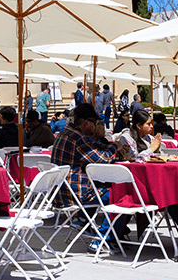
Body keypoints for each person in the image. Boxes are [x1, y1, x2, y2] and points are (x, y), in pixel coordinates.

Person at [49, 103, 128, 242]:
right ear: (87, 123)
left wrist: (111, 146)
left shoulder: (66, 133)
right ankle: (104, 237)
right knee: (120, 194)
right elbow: (102, 160)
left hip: (59, 191)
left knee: (103, 186)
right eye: (95, 122)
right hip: (75, 194)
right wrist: (116, 146)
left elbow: (95, 147)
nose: (96, 125)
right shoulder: (78, 138)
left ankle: (82, 219)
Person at [116, 109, 178, 242]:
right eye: (148, 124)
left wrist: (157, 151)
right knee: (169, 195)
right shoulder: (126, 137)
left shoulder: (148, 138)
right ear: (138, 125)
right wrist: (151, 149)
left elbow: (153, 158)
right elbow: (132, 159)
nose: (151, 126)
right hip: (136, 186)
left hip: (151, 180)